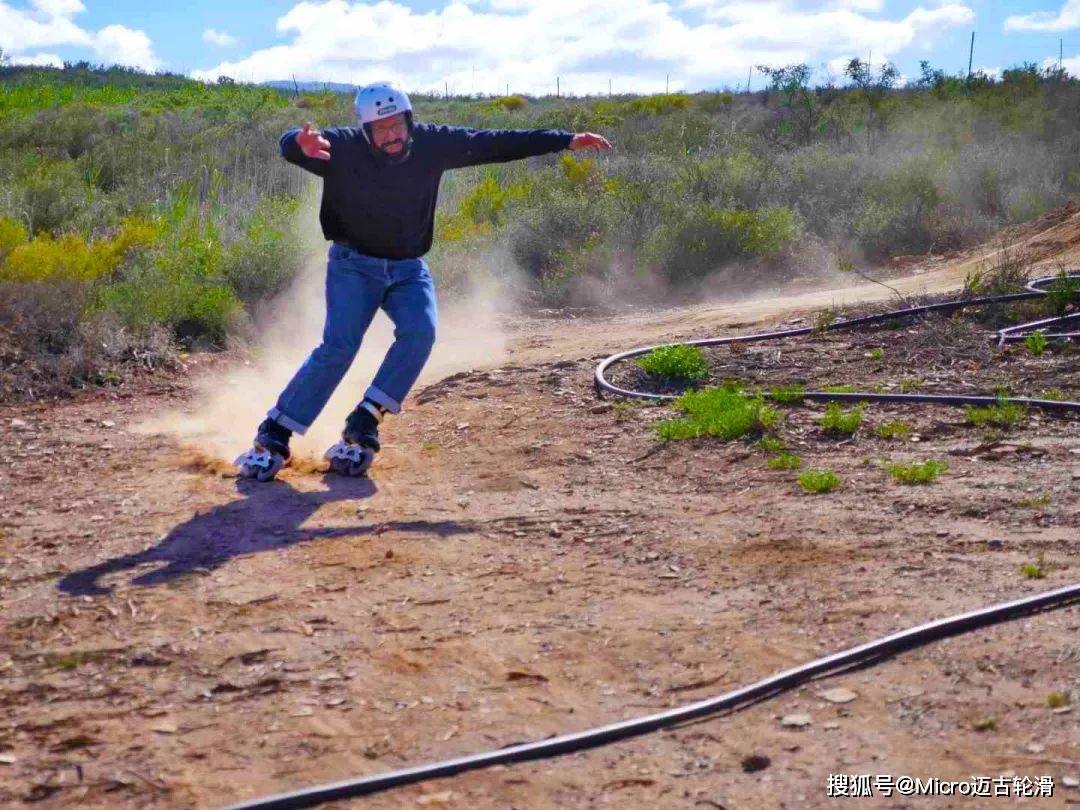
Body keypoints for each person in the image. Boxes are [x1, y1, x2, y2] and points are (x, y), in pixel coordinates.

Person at [236, 81, 613, 480]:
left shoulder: (432, 143)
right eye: (380, 129)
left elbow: (495, 142)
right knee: (340, 346)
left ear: (409, 120)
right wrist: (297, 142)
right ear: (366, 131)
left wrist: (565, 140)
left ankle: (364, 420)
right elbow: (291, 146)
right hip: (354, 264)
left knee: (421, 332)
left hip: (407, 267)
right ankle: (274, 433)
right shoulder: (343, 147)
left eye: (397, 124)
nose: (391, 135)